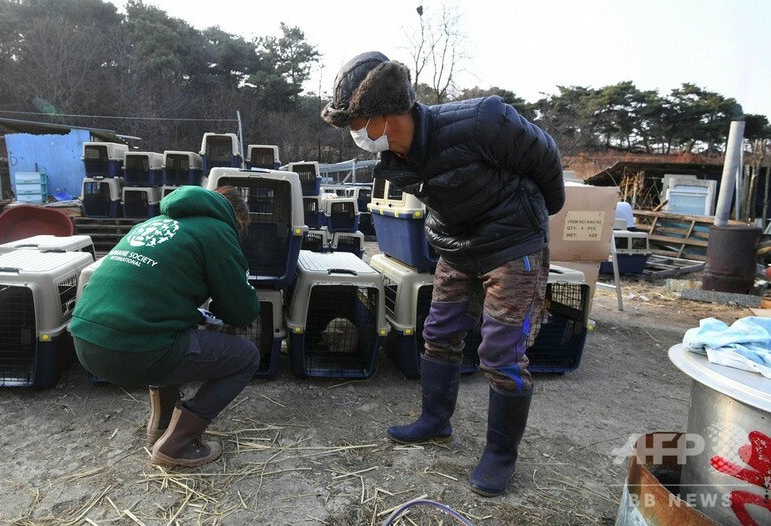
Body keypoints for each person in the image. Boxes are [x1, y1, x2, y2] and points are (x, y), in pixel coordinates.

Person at [321, 52, 565, 496]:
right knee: (439, 332)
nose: (354, 133)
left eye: (355, 123)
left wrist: (529, 222)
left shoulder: (481, 120)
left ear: (383, 115)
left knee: (501, 352)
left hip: (512, 246)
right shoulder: (395, 158)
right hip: (456, 246)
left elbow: (546, 158)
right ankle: (435, 420)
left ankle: (500, 454)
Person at [70, 185, 261, 468]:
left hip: (85, 341)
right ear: (239, 220)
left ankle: (160, 426)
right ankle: (176, 445)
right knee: (247, 357)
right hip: (136, 349)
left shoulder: (153, 223)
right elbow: (241, 311)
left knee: (173, 332)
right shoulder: (218, 232)